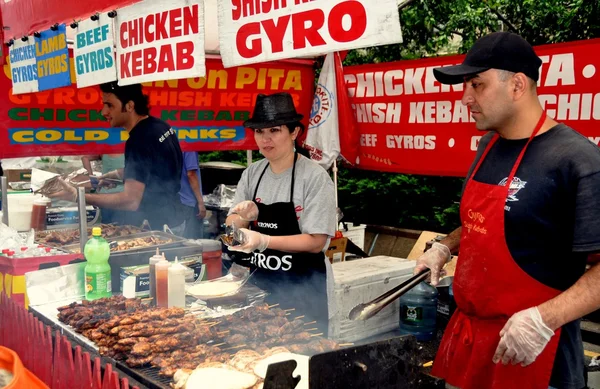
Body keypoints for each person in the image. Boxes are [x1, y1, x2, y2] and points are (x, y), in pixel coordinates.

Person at [413, 32, 600, 389]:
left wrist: (545, 318)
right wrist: (444, 247)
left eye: (477, 85)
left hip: (535, 353)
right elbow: (482, 223)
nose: (465, 98)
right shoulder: (488, 145)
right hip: (470, 344)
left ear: (517, 85)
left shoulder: (577, 161)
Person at [225, 92, 337, 330]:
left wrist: (264, 240)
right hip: (258, 289)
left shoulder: (315, 178)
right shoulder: (252, 174)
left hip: (304, 291)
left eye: (274, 130)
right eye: (259, 131)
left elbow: (317, 241)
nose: (266, 139)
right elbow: (231, 228)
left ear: (294, 132)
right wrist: (242, 218)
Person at [49, 82, 185, 233]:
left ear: (129, 106)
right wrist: (118, 175)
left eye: (110, 105)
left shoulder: (138, 139)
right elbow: (156, 169)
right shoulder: (160, 126)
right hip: (175, 218)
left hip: (159, 227)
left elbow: (130, 201)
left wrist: (78, 196)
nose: (103, 112)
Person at [81, 154, 133, 225]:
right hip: (122, 197)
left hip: (104, 196)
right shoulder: (128, 152)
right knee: (123, 228)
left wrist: (91, 178)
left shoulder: (104, 151)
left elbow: (85, 157)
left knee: (106, 228)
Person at [179, 151, 207, 238]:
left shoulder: (172, 144)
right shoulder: (189, 149)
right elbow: (191, 174)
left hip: (176, 200)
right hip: (189, 201)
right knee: (193, 242)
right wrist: (200, 202)